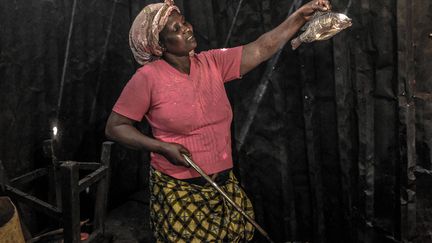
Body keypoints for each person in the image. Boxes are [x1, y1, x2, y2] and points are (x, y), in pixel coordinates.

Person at [105, 0, 331, 242]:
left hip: (222, 184)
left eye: (184, 22)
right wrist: (161, 147)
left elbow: (261, 48)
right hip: (178, 190)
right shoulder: (148, 78)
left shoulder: (212, 62)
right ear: (160, 45)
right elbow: (115, 127)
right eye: (176, 29)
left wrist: (299, 17)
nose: (187, 29)